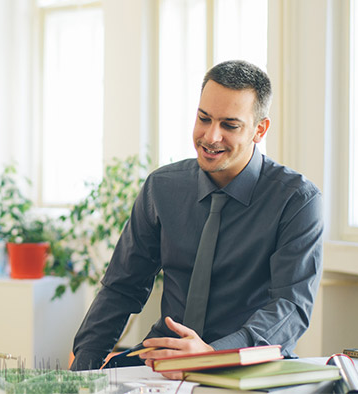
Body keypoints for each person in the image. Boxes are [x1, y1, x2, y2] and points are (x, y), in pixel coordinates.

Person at [70, 60, 324, 377]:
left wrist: (213, 354)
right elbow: (122, 287)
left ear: (260, 129)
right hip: (163, 361)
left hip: (246, 365)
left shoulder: (297, 200)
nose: (210, 136)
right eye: (204, 118)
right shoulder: (162, 187)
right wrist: (82, 370)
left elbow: (291, 307)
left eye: (230, 125)